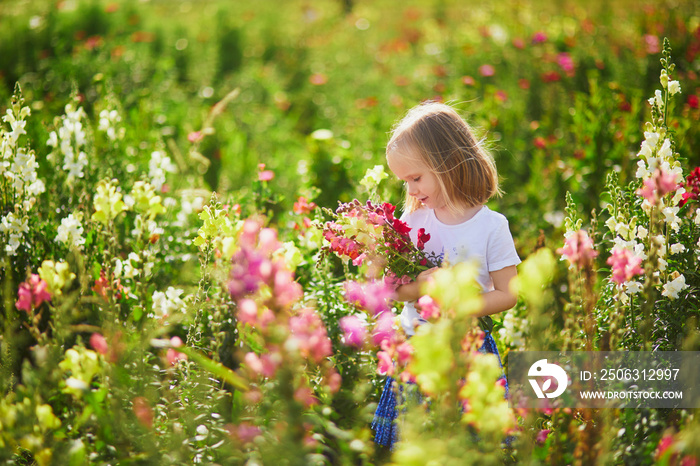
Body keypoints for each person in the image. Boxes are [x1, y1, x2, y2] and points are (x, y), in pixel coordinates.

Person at [371, 101, 521, 449]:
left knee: (469, 443)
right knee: (415, 440)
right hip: (416, 347)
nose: (410, 191)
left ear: (448, 163)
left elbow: (508, 293)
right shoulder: (412, 223)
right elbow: (395, 290)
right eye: (404, 181)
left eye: (416, 178)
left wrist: (458, 305)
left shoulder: (491, 227)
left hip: (468, 349)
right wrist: (420, 287)